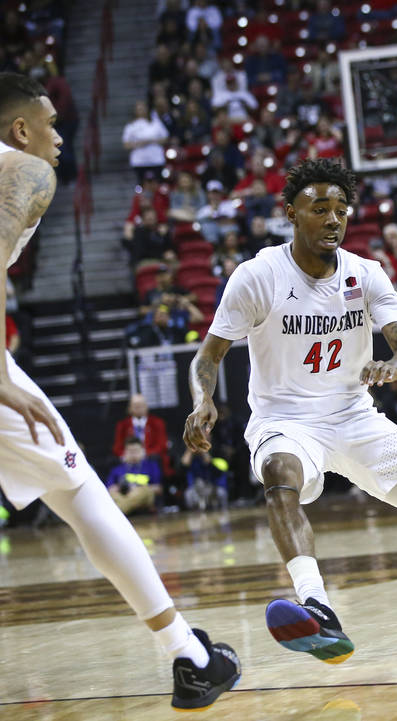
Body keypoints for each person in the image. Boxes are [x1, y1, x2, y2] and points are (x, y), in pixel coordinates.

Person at [183, 159, 397, 665]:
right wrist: (203, 401)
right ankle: (317, 607)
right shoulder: (257, 276)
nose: (333, 219)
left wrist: (394, 368)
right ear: (291, 213)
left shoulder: (365, 274)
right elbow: (208, 355)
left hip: (355, 417)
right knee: (279, 477)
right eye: (319, 208)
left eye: (341, 210)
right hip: (286, 420)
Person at [0, 72, 239, 711]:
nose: (60, 137)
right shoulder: (24, 169)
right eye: (52, 124)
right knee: (79, 492)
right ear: (21, 129)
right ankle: (188, 658)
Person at [105, 437, 163, 515]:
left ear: (143, 451)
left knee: (143, 492)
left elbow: (159, 489)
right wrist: (122, 489)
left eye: (136, 451)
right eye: (130, 451)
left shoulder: (151, 466)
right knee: (113, 496)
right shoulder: (117, 469)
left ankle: (114, 514)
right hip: (123, 495)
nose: (133, 454)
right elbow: (110, 489)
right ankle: (123, 508)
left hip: (143, 496)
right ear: (125, 452)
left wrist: (137, 489)